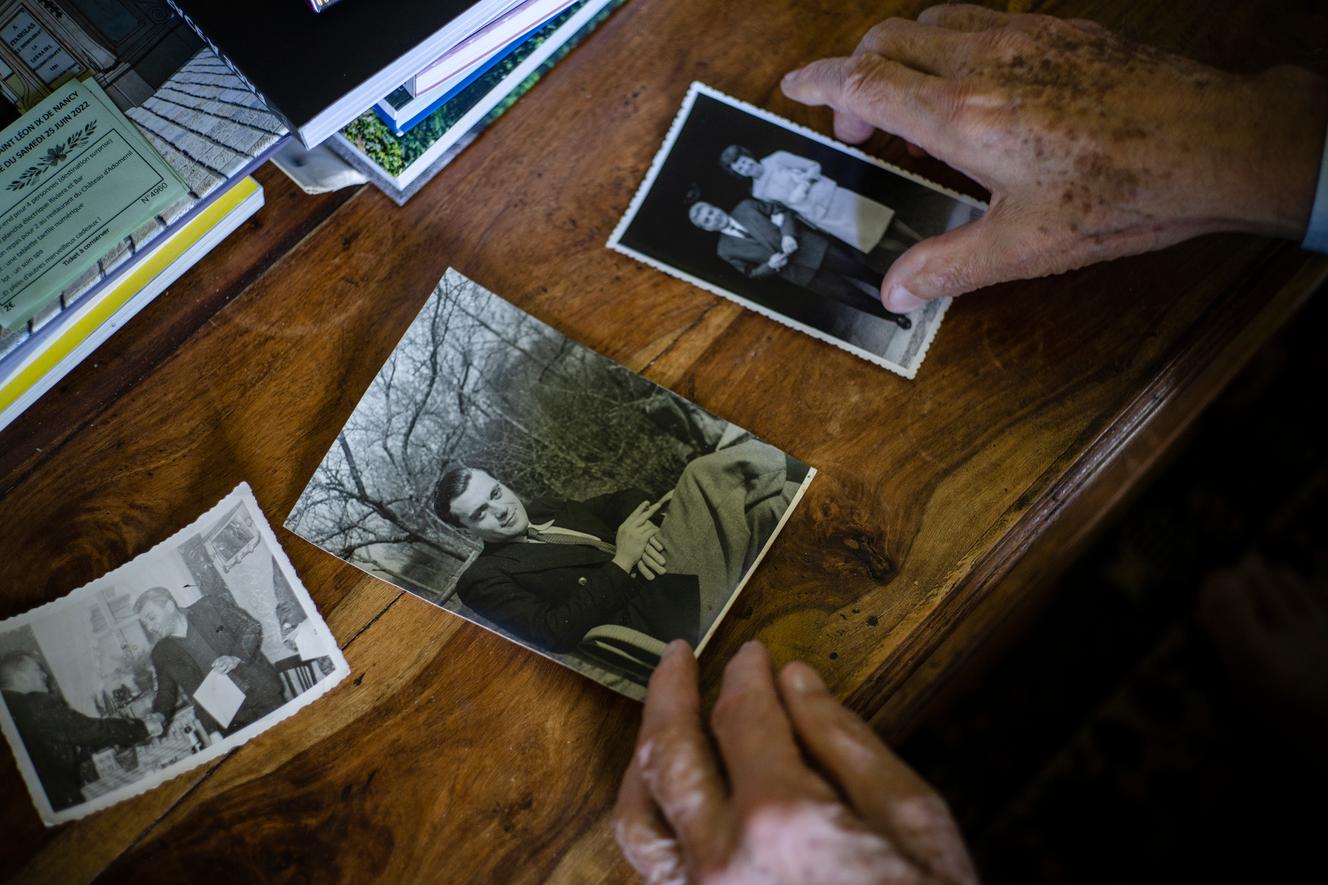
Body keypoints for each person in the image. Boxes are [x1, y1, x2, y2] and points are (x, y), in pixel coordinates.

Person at [615, 5, 1328, 882]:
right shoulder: (750, 198)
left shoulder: (782, 168)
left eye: (725, 166)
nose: (730, 170)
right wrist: (1278, 149)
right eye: (720, 173)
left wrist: (1264, 145)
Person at [435, 439, 801, 655]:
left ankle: (811, 488)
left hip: (665, 567)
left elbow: (624, 500)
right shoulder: (482, 579)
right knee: (700, 476)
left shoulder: (545, 508)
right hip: (655, 614)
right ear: (467, 528)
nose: (501, 510)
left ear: (502, 483)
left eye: (496, 493)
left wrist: (640, 534)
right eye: (481, 512)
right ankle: (808, 466)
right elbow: (553, 633)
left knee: (770, 505)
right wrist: (623, 560)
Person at [688, 198, 914, 329]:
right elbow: (750, 273)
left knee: (862, 272)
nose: (712, 217)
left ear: (714, 207)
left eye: (710, 211)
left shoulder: (746, 207)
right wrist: (771, 265)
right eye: (706, 220)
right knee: (849, 295)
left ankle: (900, 294)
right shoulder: (724, 250)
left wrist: (788, 235)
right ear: (704, 228)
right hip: (800, 273)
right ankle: (893, 317)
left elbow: (781, 210)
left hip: (812, 247)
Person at [0, 652, 162, 811]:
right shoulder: (33, 705)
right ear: (21, 676)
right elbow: (91, 731)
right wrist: (143, 727)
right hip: (59, 800)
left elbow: (50, 745)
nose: (44, 675)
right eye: (37, 670)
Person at [134, 587, 285, 738]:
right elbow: (165, 692)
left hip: (262, 694)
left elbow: (251, 627)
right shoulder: (161, 653)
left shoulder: (209, 606)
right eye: (145, 624)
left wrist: (235, 657)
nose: (149, 627)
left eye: (151, 618)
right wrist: (159, 716)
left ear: (169, 607)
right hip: (230, 719)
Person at [719, 144, 921, 256]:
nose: (746, 168)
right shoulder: (758, 193)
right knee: (874, 237)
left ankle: (922, 242)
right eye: (740, 168)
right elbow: (785, 211)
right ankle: (919, 255)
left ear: (748, 156)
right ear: (737, 172)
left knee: (885, 221)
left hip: (834, 197)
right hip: (821, 216)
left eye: (744, 162)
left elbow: (814, 166)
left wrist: (804, 184)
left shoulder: (777, 157)